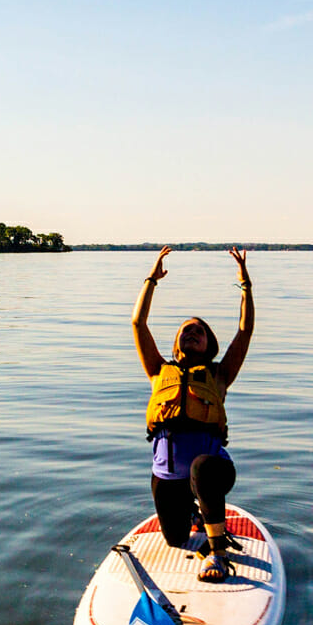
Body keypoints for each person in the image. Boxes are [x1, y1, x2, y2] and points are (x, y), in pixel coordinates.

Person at [132, 247, 255, 582]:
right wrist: (151, 281)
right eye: (186, 330)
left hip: (214, 471)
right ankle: (195, 513)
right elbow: (138, 322)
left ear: (209, 346)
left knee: (202, 467)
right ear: (175, 345)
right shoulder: (158, 371)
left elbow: (244, 332)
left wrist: (246, 285)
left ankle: (218, 554)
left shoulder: (219, 375)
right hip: (168, 478)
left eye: (199, 332)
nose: (191, 333)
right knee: (175, 539)